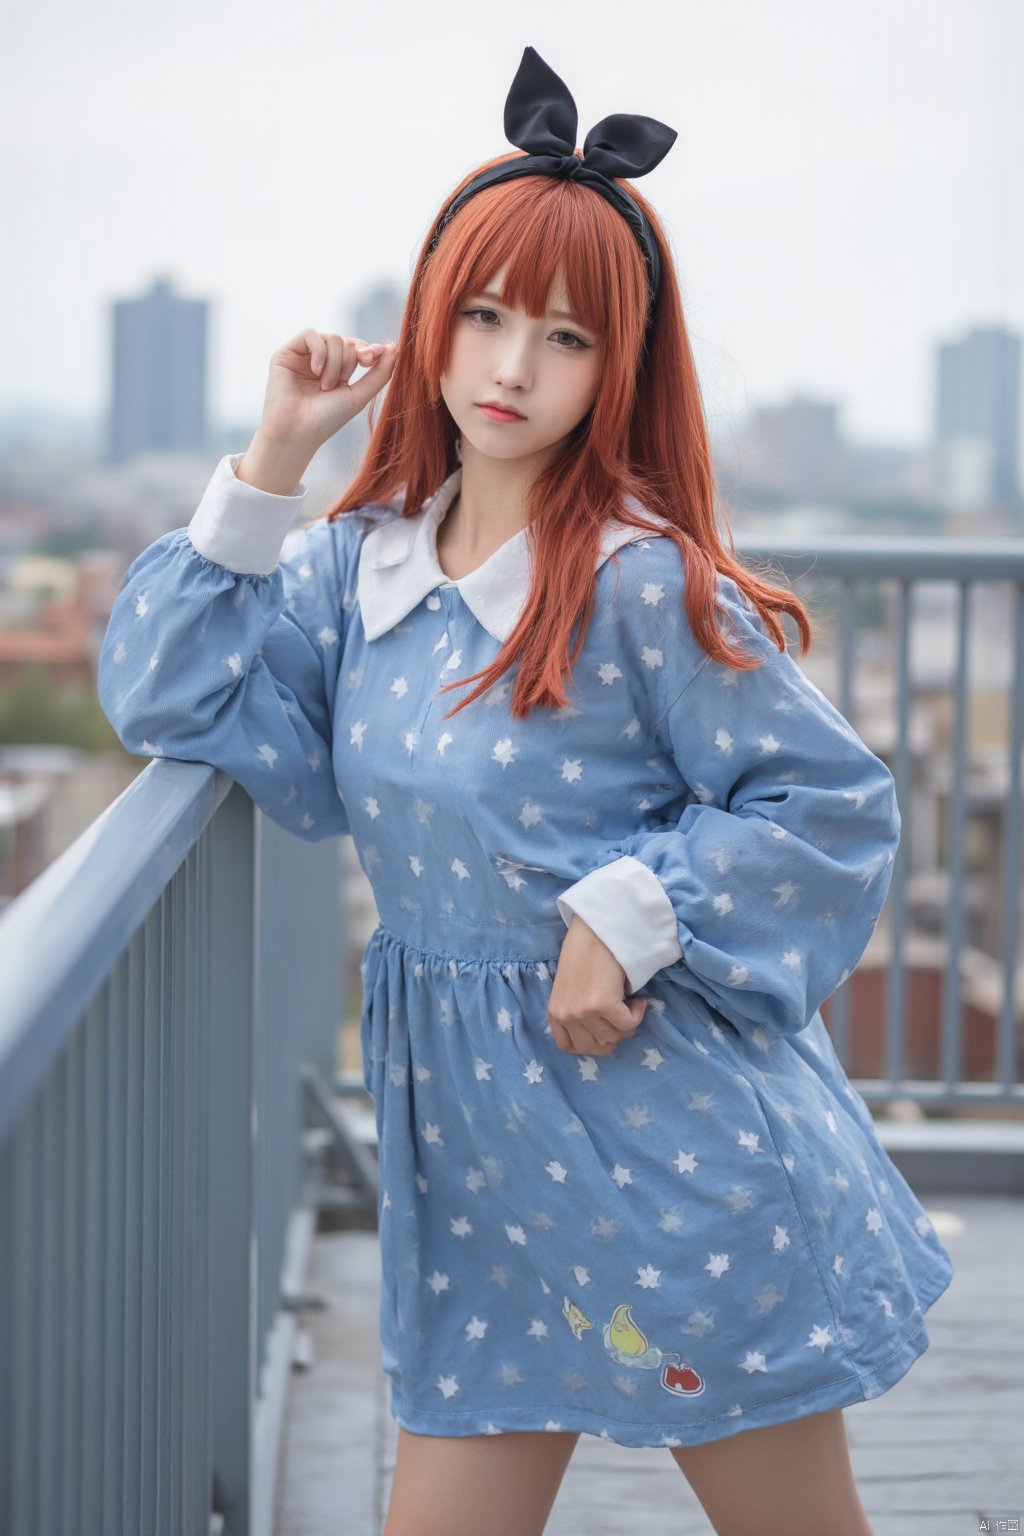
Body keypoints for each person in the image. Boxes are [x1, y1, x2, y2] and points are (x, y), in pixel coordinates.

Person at [98, 44, 954, 1536]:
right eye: (483, 317)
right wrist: (275, 459)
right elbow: (164, 690)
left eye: (561, 338)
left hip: (669, 1140)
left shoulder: (639, 581)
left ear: (614, 366)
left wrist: (626, 912)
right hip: (478, 1167)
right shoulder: (354, 571)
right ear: (429, 322)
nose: (509, 368)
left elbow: (827, 806)